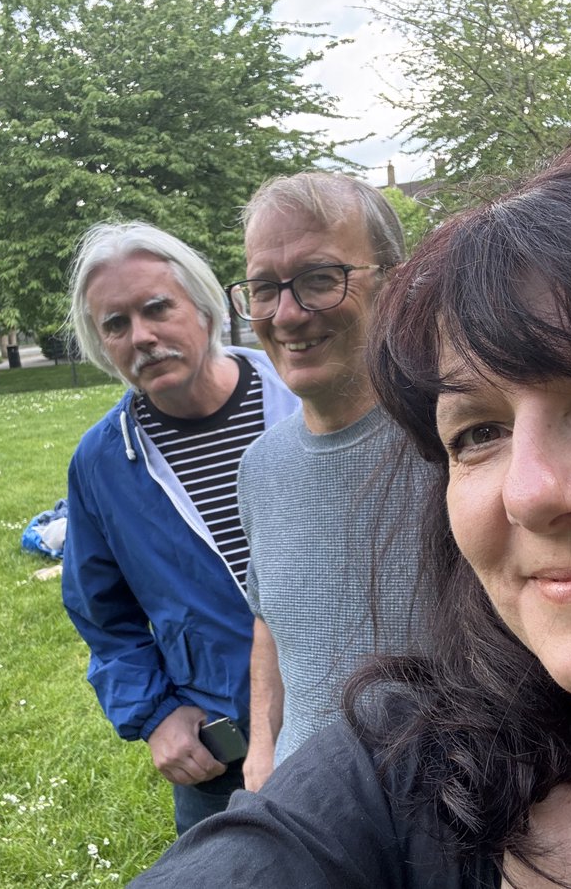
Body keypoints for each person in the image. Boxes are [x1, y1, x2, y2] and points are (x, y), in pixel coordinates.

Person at [131, 135, 571, 886]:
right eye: (478, 435)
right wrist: (263, 755)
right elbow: (267, 620)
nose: (531, 492)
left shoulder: (406, 464)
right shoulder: (409, 771)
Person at [60, 221, 299, 834]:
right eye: (115, 324)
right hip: (225, 750)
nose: (141, 336)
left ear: (204, 304)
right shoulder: (103, 462)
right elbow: (102, 614)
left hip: (357, 710)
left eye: (157, 308)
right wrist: (156, 712)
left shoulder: (301, 402)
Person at [231, 172, 432, 791]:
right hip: (304, 813)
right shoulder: (259, 467)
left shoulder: (456, 442)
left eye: (320, 279)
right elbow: (271, 619)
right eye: (264, 289)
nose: (287, 315)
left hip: (452, 815)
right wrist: (262, 748)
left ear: (393, 283)